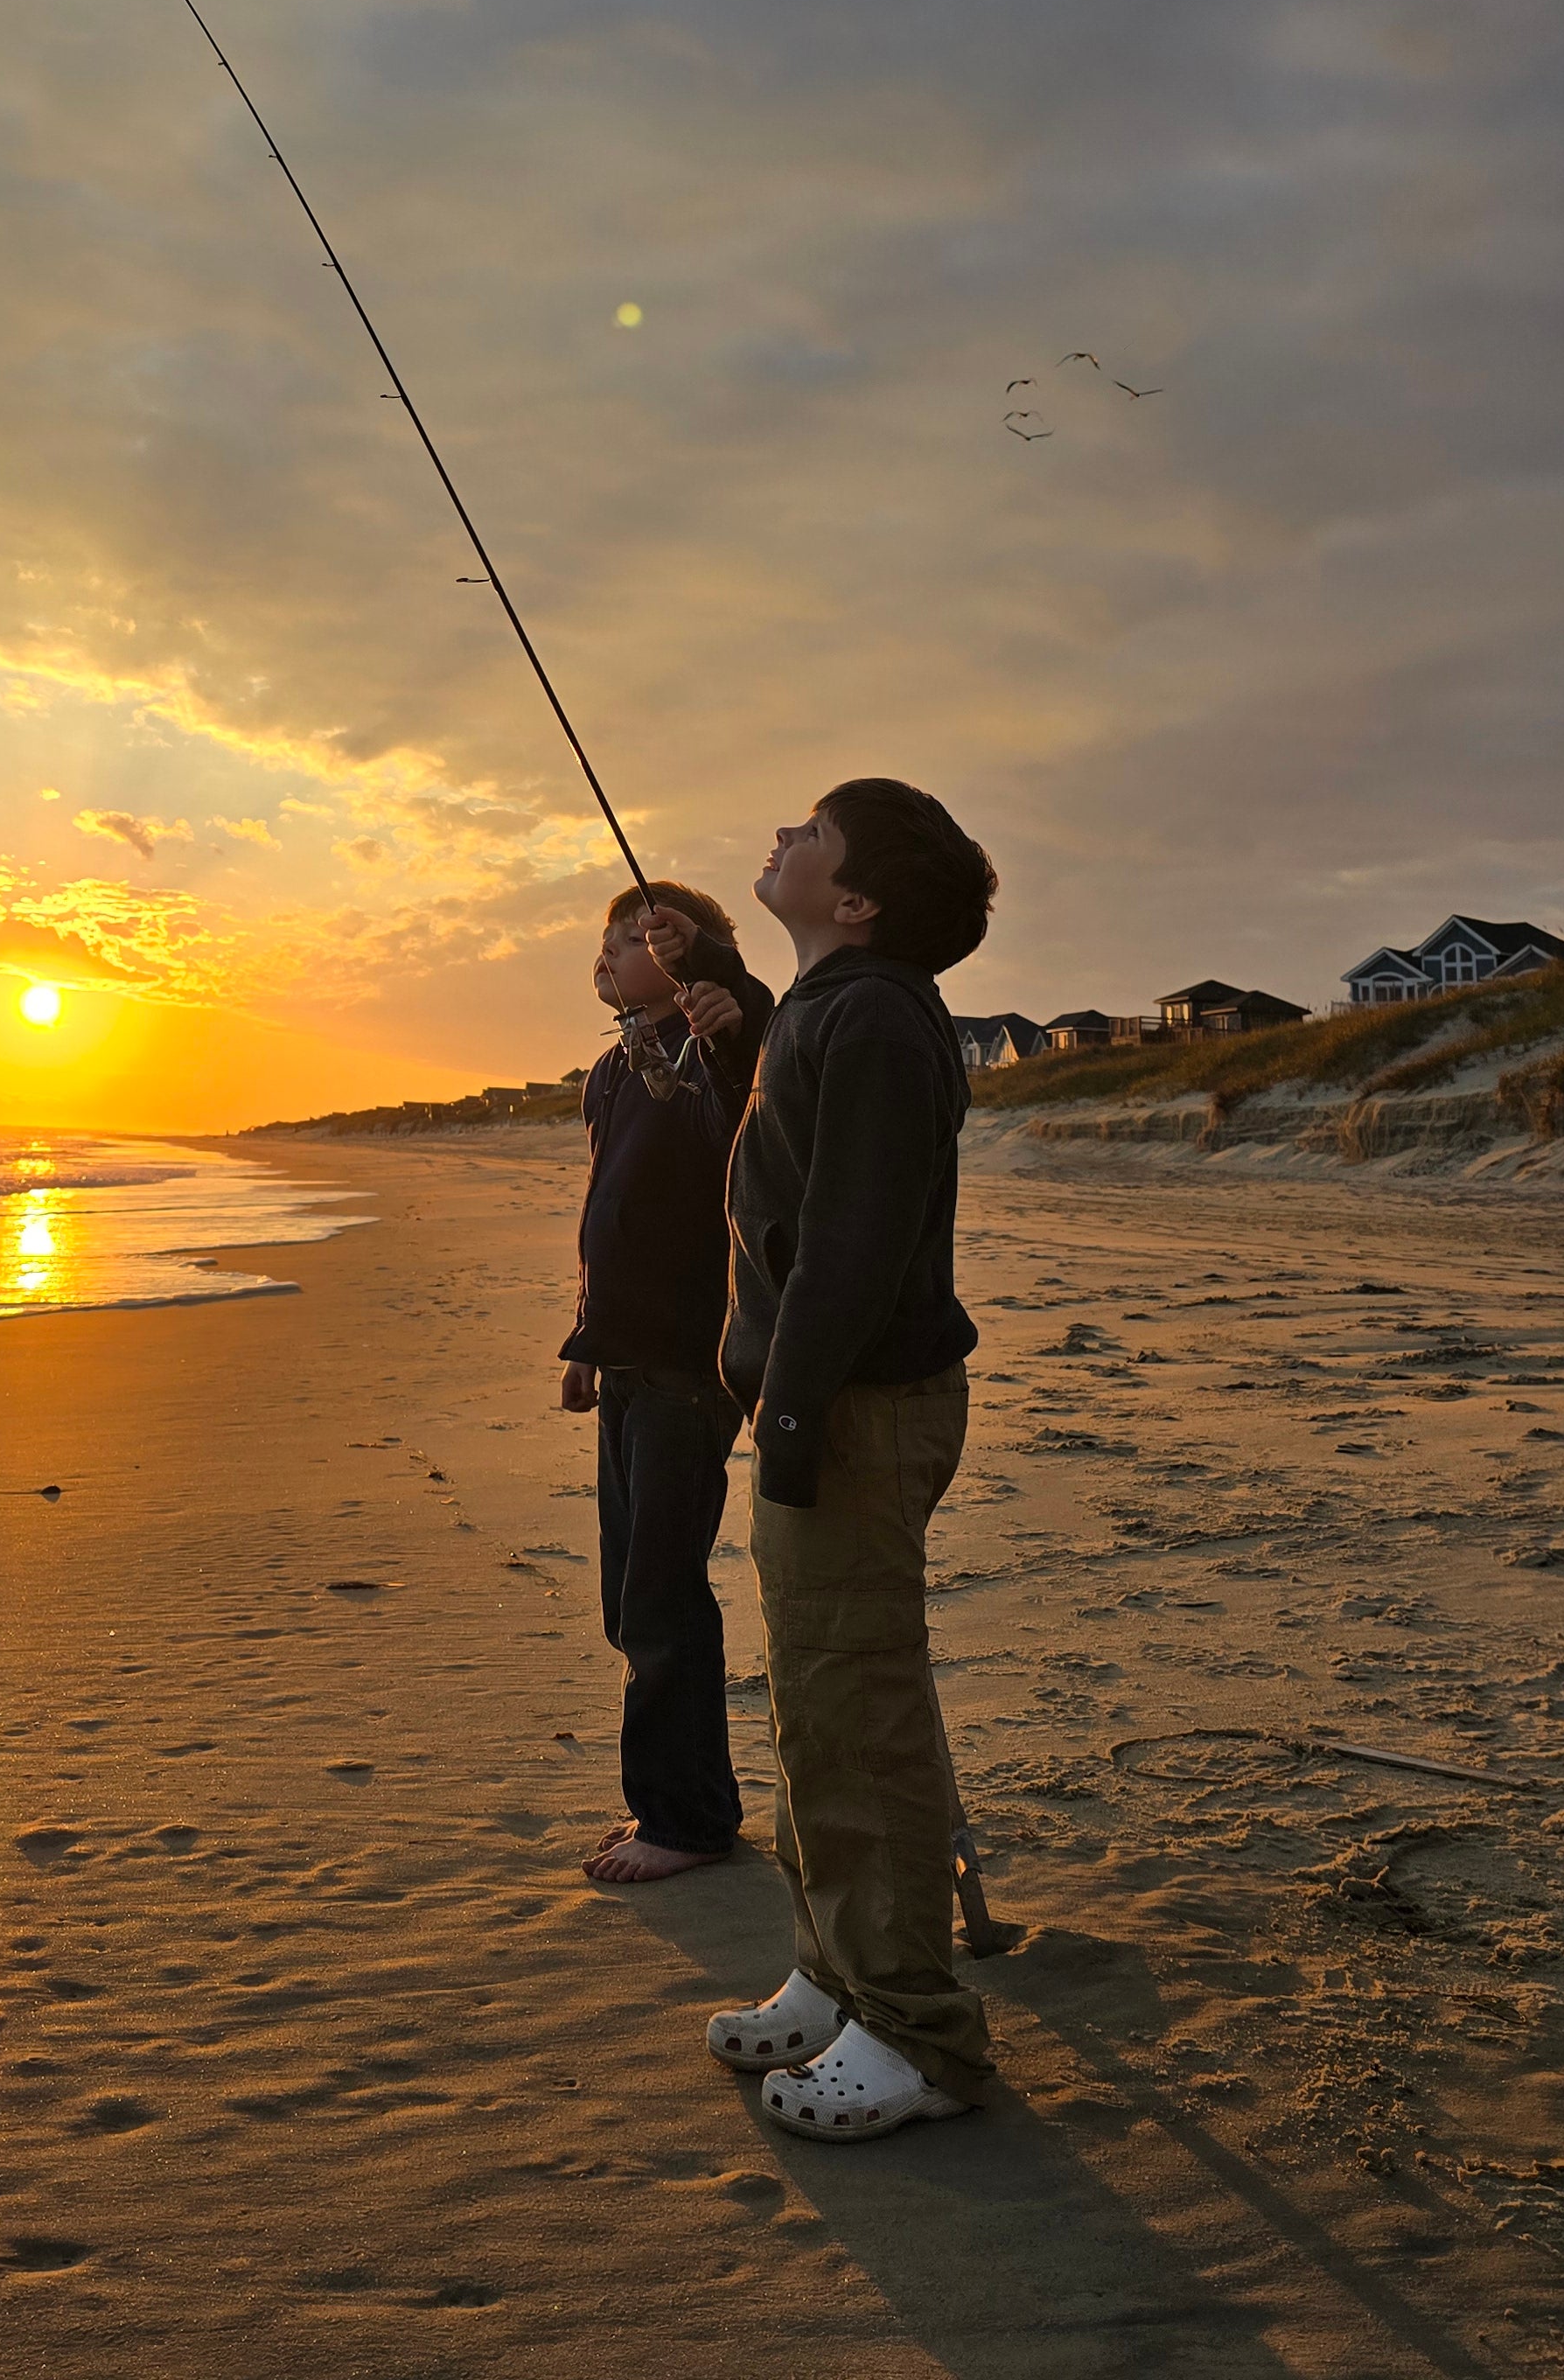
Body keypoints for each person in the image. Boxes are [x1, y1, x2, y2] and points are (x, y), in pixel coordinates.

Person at [640, 780, 997, 2143]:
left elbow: (852, 1239)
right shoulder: (835, 1009)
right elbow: (787, 1117)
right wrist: (719, 973)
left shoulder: (883, 1017)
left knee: (859, 1711)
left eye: (813, 830)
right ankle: (838, 1973)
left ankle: (918, 2030)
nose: (780, 834)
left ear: (857, 901)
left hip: (850, 1407)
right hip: (818, 1400)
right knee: (810, 1705)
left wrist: (786, 1413)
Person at [558, 879, 773, 1887]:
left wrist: (715, 982)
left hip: (692, 1362)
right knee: (628, 1598)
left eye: (630, 941)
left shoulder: (716, 1044)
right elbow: (610, 1214)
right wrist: (584, 1339)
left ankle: (686, 1819)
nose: (607, 956)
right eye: (602, 943)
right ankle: (676, 1796)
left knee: (661, 1597)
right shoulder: (612, 1068)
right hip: (629, 1356)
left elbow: (744, 1101)